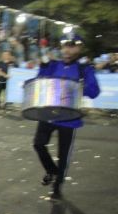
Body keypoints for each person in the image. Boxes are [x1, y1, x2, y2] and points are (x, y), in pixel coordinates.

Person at [33, 32, 101, 199]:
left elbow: (94, 92)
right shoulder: (53, 64)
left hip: (69, 117)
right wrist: (43, 66)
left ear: (79, 48)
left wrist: (75, 89)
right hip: (49, 113)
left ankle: (57, 186)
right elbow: (39, 81)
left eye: (71, 46)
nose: (67, 50)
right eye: (65, 46)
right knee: (38, 144)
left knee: (64, 154)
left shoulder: (84, 69)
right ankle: (52, 170)